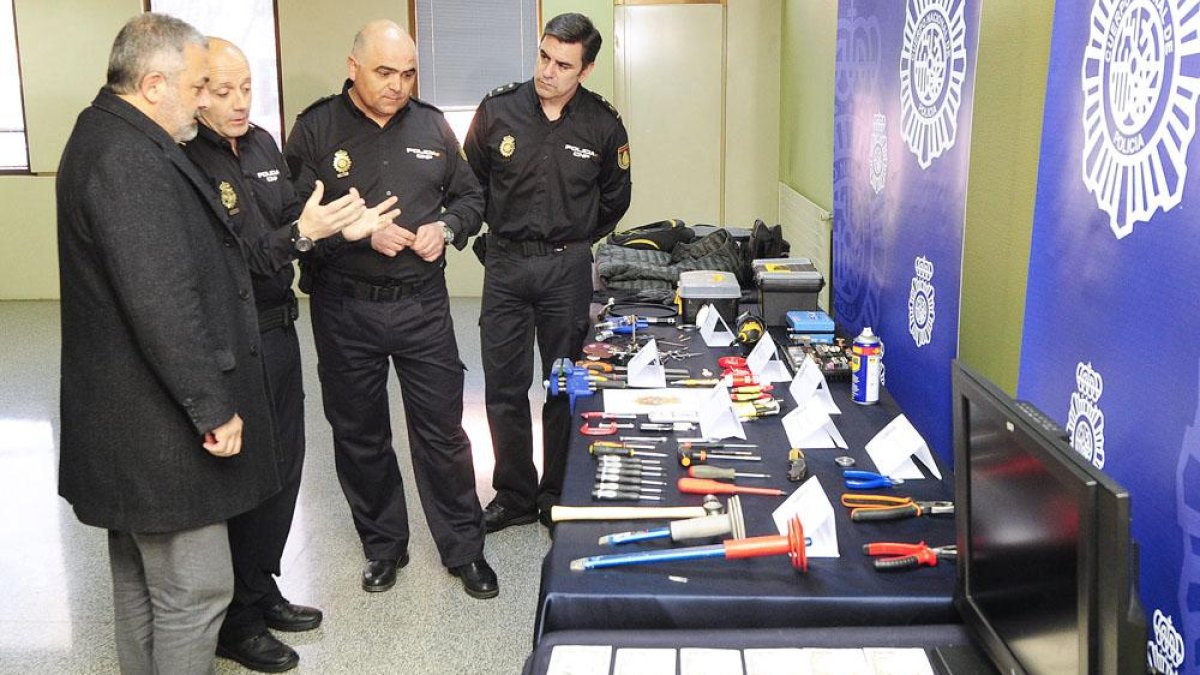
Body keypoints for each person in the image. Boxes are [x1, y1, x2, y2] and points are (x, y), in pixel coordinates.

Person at [56, 14, 279, 673]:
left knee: (142, 585)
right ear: (154, 85)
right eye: (198, 85)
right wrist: (212, 406)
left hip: (126, 419)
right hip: (155, 425)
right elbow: (160, 299)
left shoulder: (107, 134)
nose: (205, 99)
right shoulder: (128, 159)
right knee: (195, 590)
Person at [183, 38, 397, 671]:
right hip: (231, 337)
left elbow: (291, 223)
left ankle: (259, 588)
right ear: (196, 93)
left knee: (283, 466)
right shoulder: (185, 160)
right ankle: (235, 621)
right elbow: (232, 262)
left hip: (278, 330)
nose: (239, 102)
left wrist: (339, 232)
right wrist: (303, 233)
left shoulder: (261, 146)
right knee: (244, 476)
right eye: (224, 91)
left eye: (247, 87)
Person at [283, 19, 497, 599]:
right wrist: (355, 233)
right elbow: (289, 220)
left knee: (442, 433)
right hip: (344, 307)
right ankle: (383, 546)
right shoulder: (315, 129)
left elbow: (471, 196)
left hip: (420, 306)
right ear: (353, 67)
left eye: (407, 73)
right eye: (384, 72)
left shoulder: (432, 124)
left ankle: (464, 549)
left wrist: (445, 228)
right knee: (360, 434)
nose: (397, 85)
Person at [463, 13, 632, 532]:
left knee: (563, 385)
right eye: (543, 56)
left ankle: (556, 491)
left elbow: (615, 199)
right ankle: (514, 493)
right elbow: (470, 181)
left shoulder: (603, 124)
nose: (548, 71)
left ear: (586, 69)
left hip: (566, 268)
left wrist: (573, 239)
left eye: (563, 64)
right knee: (504, 387)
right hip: (506, 265)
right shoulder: (497, 110)